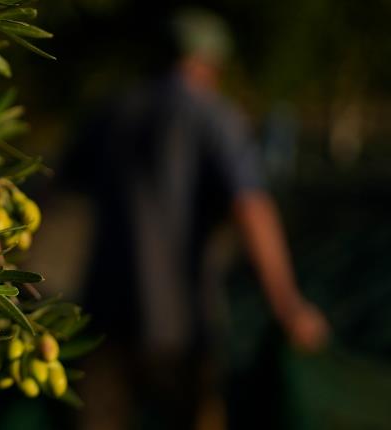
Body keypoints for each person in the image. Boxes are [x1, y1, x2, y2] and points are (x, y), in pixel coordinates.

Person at [61, 8, 329, 430]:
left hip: (103, 321)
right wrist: (287, 304)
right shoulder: (216, 118)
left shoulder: (111, 113)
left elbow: (51, 191)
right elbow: (252, 209)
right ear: (210, 62)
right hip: (182, 327)